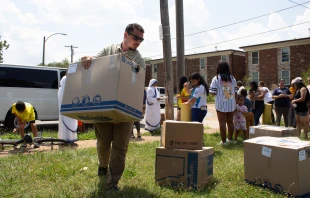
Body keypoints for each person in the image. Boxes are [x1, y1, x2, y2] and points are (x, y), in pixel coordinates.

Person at [81, 23, 145, 191]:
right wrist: (88, 59)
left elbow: (136, 84)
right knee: (103, 143)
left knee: (120, 147)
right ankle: (103, 166)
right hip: (103, 106)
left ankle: (112, 182)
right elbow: (94, 63)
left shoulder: (138, 59)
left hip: (125, 111)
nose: (138, 42)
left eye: (141, 39)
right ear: (125, 34)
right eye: (135, 37)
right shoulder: (109, 49)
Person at [209, 61, 237, 145]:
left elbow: (213, 92)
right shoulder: (232, 78)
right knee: (230, 122)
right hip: (231, 103)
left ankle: (224, 141)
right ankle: (230, 140)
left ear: (219, 68)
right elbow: (236, 91)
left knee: (222, 122)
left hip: (221, 104)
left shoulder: (216, 78)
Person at [58, 75, 78, 143]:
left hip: (63, 112)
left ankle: (63, 138)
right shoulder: (69, 90)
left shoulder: (60, 90)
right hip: (70, 111)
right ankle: (71, 138)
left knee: (64, 125)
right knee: (70, 123)